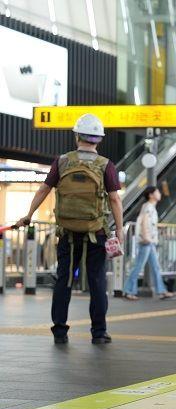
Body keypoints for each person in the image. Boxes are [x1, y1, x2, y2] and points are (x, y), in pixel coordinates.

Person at [16, 113, 123, 345]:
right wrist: (120, 231)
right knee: (96, 282)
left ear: (77, 136)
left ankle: (60, 331)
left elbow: (44, 189)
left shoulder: (62, 161)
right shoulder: (106, 165)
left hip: (67, 232)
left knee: (64, 280)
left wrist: (29, 215)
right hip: (97, 233)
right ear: (99, 140)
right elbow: (115, 200)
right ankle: (99, 332)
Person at [123, 186, 174, 301]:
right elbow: (145, 221)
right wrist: (146, 236)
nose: (159, 193)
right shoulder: (149, 207)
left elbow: (149, 224)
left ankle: (161, 291)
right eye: (157, 192)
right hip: (146, 241)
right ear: (151, 195)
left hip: (149, 241)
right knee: (138, 266)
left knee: (155, 267)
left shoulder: (150, 207)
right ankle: (128, 291)